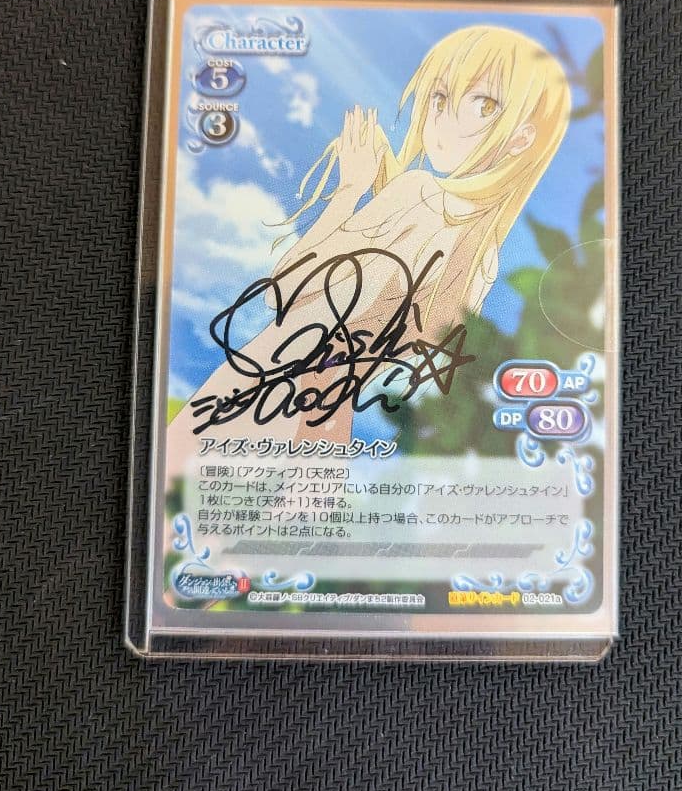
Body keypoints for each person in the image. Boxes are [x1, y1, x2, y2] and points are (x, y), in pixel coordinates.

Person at [166, 25, 571, 469]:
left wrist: (349, 190)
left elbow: (282, 292)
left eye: (484, 105)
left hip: (266, 388)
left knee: (179, 494)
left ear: (522, 138)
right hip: (328, 417)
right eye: (439, 97)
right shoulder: (483, 259)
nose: (444, 120)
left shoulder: (421, 195)